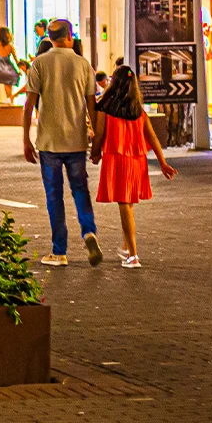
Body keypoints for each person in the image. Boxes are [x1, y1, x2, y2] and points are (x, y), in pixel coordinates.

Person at [22, 19, 103, 268]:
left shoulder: (39, 64)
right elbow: (93, 108)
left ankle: (59, 251)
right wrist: (97, 142)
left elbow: (28, 105)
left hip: (49, 141)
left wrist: (25, 138)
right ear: (69, 36)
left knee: (54, 195)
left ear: (50, 37)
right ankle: (89, 232)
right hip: (76, 141)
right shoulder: (83, 65)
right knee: (80, 190)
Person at [91, 66, 176, 268]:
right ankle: (127, 246)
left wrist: (94, 153)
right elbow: (152, 136)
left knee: (124, 204)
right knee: (127, 205)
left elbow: (99, 134)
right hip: (136, 161)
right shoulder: (138, 109)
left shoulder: (106, 107)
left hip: (118, 159)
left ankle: (133, 255)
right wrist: (162, 162)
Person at [0, 27, 22, 103]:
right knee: (9, 92)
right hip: (8, 69)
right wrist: (19, 70)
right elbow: (16, 59)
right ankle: (10, 107)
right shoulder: (10, 46)